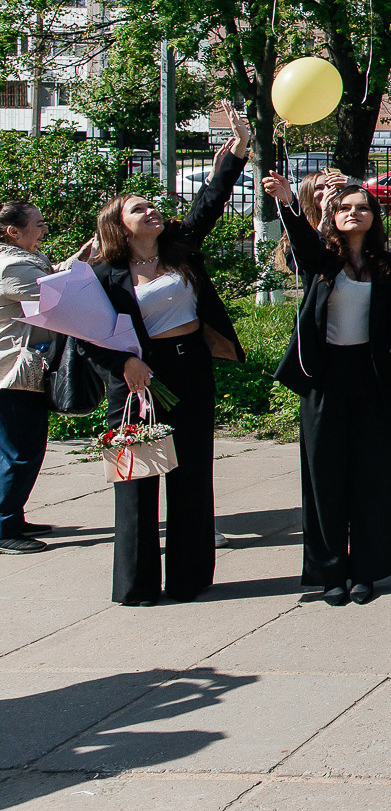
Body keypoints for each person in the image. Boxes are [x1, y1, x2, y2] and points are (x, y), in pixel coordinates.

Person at [77, 106, 251, 605]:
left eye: (153, 206)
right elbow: (86, 331)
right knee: (137, 478)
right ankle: (135, 585)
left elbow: (209, 203)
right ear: (119, 225)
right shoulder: (103, 271)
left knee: (192, 474)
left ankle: (189, 579)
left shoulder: (179, 249)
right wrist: (124, 365)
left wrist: (236, 153)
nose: (152, 211)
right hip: (135, 377)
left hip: (189, 365)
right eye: (139, 209)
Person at [265, 173, 391, 604]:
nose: (353, 213)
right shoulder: (322, 260)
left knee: (372, 478)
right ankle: (330, 573)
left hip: (372, 377)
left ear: (373, 218)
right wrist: (290, 204)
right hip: (324, 380)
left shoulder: (388, 266)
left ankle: (367, 570)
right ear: (332, 215)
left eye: (362, 208)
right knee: (324, 478)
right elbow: (303, 244)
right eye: (345, 208)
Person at [0, 202, 68, 555]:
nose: (44, 230)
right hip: (13, 375)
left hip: (15, 372)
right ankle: (3, 527)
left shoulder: (20, 261)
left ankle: (12, 517)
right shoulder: (12, 266)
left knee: (17, 450)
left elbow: (54, 279)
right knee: (20, 452)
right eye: (39, 224)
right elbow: (58, 297)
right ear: (14, 231)